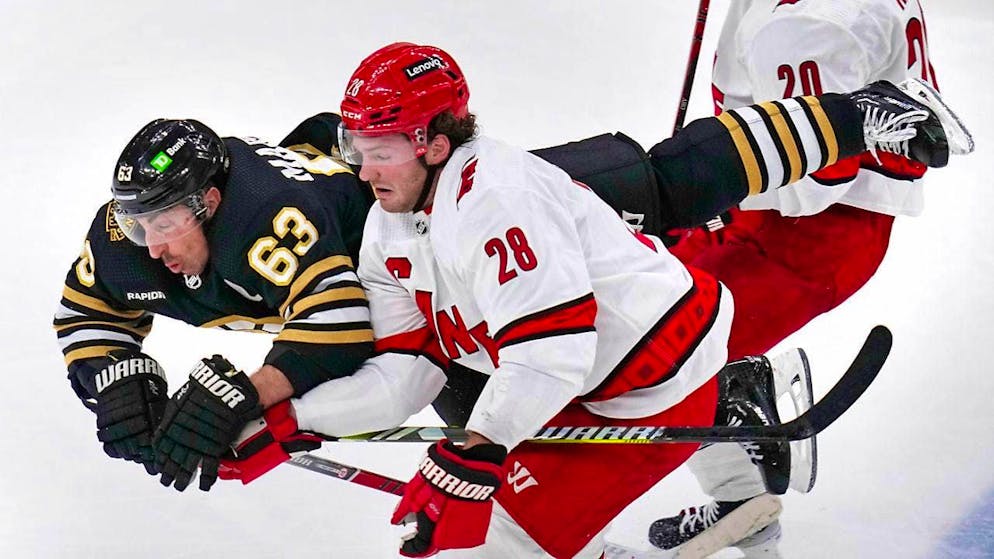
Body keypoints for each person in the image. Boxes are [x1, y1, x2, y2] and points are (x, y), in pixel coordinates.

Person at [215, 42, 959, 558]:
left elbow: (552, 351)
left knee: (488, 531)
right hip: (581, 375)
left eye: (382, 147)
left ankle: (730, 409)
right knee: (473, 436)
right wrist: (287, 420)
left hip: (658, 378)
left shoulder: (496, 202)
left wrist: (477, 453)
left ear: (436, 142)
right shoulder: (389, 226)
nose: (364, 167)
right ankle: (730, 466)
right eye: (356, 146)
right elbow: (408, 374)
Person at [646, 0, 973, 557]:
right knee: (644, 292)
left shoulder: (804, 23)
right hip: (799, 222)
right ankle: (737, 485)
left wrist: (700, 183)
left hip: (804, 238)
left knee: (644, 346)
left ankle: (738, 403)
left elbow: (809, 181)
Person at [52, 115, 378, 491]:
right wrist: (115, 381)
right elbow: (83, 312)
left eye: (165, 225)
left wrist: (248, 396)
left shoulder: (264, 217)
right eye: (138, 225)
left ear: (209, 203)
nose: (154, 249)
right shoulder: (127, 245)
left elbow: (342, 324)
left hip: (413, 261)